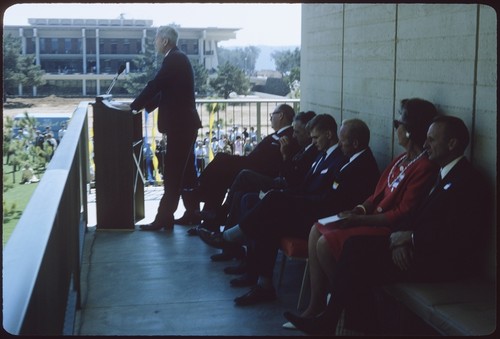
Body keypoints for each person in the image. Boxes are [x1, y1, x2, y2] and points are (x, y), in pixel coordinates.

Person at [284, 115, 490, 335]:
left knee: (357, 258)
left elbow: (455, 237)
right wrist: (401, 238)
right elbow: (416, 216)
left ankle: (342, 321)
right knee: (355, 248)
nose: (426, 144)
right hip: (414, 247)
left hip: (438, 261)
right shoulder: (441, 174)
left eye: (432, 139)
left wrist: (409, 239)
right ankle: (354, 322)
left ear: (452, 144)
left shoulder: (467, 181)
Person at [199, 114, 359, 306]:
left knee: (271, 206)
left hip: (313, 214)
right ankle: (259, 278)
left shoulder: (337, 159)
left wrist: (288, 197)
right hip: (303, 204)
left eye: (315, 138)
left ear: (328, 134)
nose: (312, 141)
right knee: (257, 202)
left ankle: (229, 240)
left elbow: (327, 200)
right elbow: (302, 184)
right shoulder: (322, 155)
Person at [201, 111, 319, 265]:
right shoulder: (305, 148)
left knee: (244, 175)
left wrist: (285, 156)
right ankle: (231, 247)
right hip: (281, 182)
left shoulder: (310, 151)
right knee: (242, 194)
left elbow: (293, 178)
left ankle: (222, 217)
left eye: (297, 132)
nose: (294, 136)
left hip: (284, 187)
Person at [175, 104, 300, 226]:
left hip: (257, 170)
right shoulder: (278, 135)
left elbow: (275, 161)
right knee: (219, 178)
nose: (270, 118)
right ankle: (208, 221)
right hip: (252, 164)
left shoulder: (288, 136)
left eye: (272, 115)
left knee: (221, 160)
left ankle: (199, 190)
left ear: (281, 115)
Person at [129, 25, 201, 231]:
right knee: (186, 172)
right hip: (185, 125)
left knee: (173, 173)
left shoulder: (174, 59)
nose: (154, 42)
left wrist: (134, 106)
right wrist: (147, 106)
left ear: (165, 41)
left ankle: (164, 218)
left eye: (156, 39)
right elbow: (166, 92)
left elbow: (156, 85)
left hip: (181, 126)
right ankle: (193, 213)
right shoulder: (177, 58)